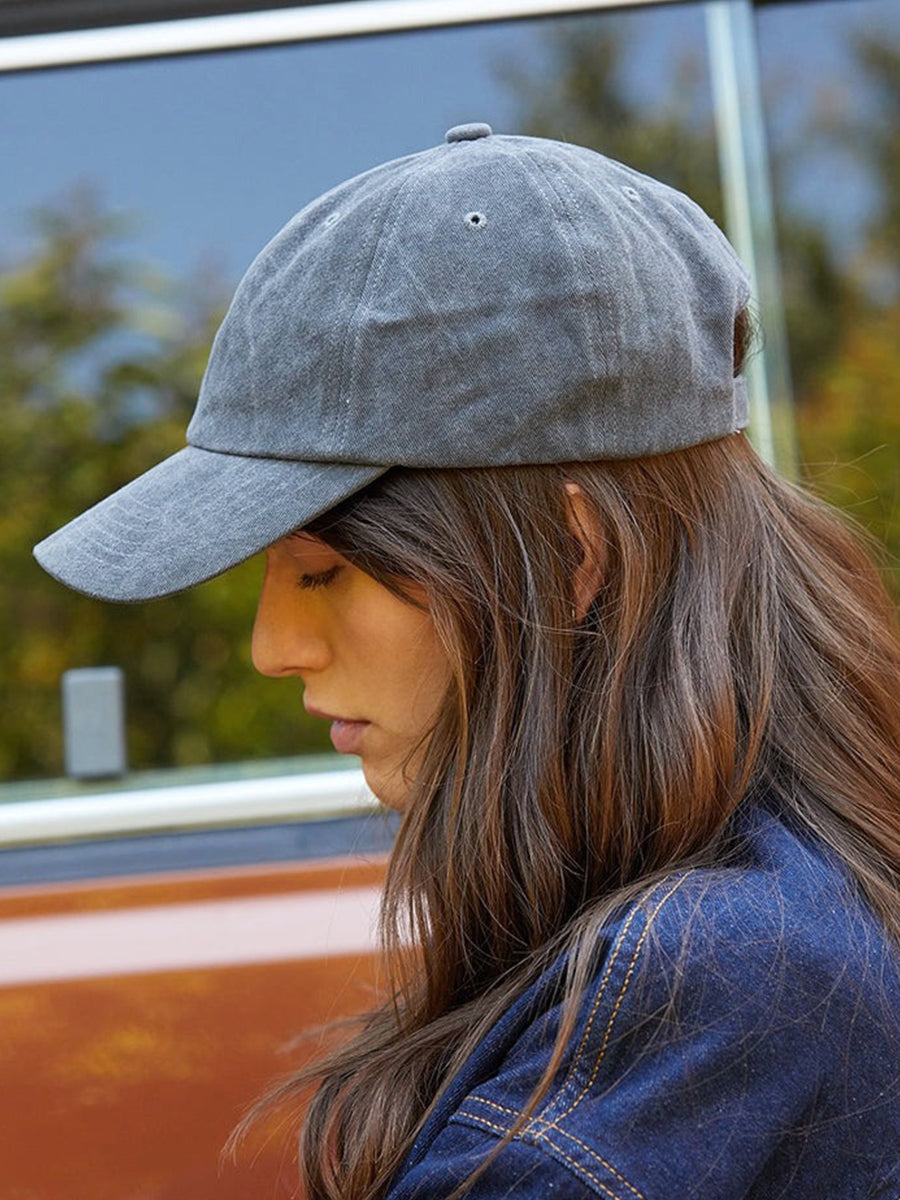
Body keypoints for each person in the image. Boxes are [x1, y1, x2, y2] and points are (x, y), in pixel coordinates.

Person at [33, 124, 900, 1199]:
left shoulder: (706, 985)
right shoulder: (769, 916)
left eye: (322, 573)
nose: (273, 649)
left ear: (571, 558)